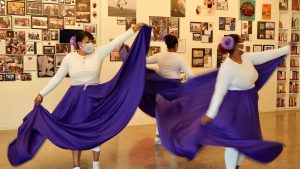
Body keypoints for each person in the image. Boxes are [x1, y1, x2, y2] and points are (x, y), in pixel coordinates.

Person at [33, 23, 145, 169]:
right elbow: (57, 78)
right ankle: (76, 166)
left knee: (95, 128)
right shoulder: (69, 58)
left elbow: (115, 42)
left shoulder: (98, 52)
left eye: (92, 41)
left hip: (95, 97)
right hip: (75, 98)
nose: (91, 44)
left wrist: (132, 30)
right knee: (75, 129)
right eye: (87, 42)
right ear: (79, 44)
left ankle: (96, 164)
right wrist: (42, 93)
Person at [200, 34, 292, 169]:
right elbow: (219, 92)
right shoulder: (227, 68)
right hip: (235, 107)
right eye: (241, 41)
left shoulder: (245, 57)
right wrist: (211, 114)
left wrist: (286, 49)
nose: (243, 42)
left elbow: (264, 55)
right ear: (237, 45)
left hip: (249, 105)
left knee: (249, 140)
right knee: (235, 141)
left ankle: (235, 166)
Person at [145, 34, 194, 145]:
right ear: (176, 45)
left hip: (161, 87)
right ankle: (173, 136)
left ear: (166, 44)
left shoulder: (160, 56)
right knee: (175, 112)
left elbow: (144, 61)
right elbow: (190, 76)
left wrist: (132, 53)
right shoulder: (180, 58)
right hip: (175, 87)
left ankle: (158, 137)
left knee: (160, 111)